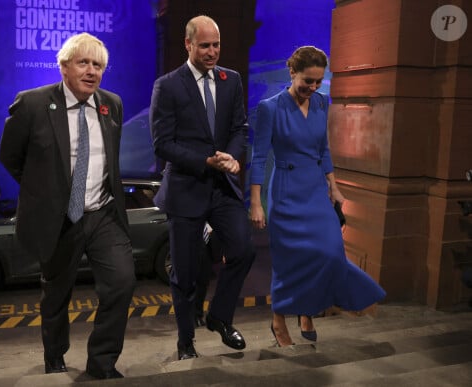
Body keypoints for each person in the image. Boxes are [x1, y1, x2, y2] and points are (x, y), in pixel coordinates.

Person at [0, 32, 135, 379]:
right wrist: (46, 194)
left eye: (98, 65)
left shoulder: (112, 104)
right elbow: (10, 157)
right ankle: (55, 356)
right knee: (56, 295)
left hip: (103, 213)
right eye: (83, 63)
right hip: (60, 219)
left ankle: (102, 361)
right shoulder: (32, 104)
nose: (92, 71)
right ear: (63, 67)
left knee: (121, 282)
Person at [249, 46, 386, 347]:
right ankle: (280, 319)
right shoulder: (270, 108)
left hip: (314, 189)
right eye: (306, 81)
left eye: (317, 81)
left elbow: (323, 149)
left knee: (330, 252)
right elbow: (258, 158)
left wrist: (333, 186)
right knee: (289, 261)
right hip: (285, 190)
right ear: (292, 73)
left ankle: (308, 308)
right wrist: (256, 202)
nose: (312, 88)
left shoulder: (322, 103)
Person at [150, 15, 255, 360]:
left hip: (222, 188)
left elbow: (240, 128)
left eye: (217, 45)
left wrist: (234, 157)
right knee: (185, 274)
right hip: (185, 188)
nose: (212, 52)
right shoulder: (168, 85)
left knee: (243, 250)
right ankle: (185, 343)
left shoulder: (231, 80)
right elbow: (162, 144)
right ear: (188, 44)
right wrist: (204, 160)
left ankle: (219, 318)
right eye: (205, 45)